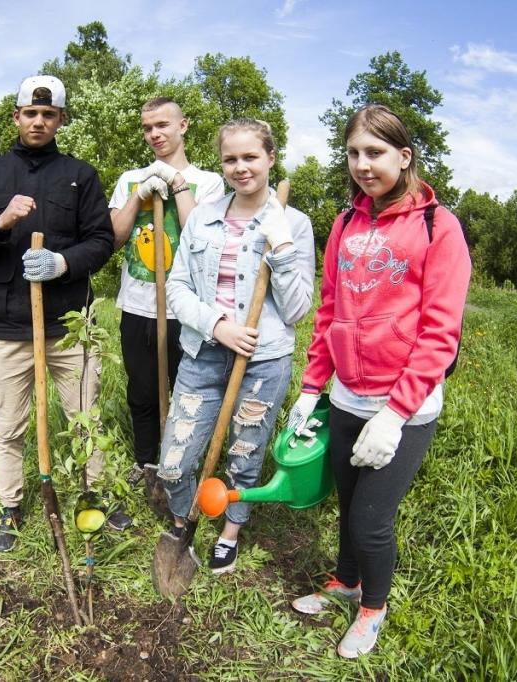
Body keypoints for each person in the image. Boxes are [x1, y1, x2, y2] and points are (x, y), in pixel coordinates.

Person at [287, 104, 471, 658]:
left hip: (403, 408)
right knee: (346, 505)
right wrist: (311, 388)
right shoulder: (344, 223)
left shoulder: (440, 227)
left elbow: (441, 332)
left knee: (371, 520)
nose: (363, 165)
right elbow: (328, 313)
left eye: (376, 152)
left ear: (404, 156)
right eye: (353, 153)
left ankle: (374, 607)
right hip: (346, 397)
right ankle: (346, 583)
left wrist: (395, 413)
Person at [0, 75, 129, 552]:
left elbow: (102, 241)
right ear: (16, 117)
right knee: (8, 426)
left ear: (60, 120)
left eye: (48, 114)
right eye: (31, 113)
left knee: (85, 417)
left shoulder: (80, 175)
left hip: (71, 327)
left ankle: (96, 495)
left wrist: (62, 263)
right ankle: (10, 506)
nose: (39, 121)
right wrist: (0, 223)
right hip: (9, 328)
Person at [155, 118, 315, 574]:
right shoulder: (204, 214)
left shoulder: (294, 223)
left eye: (250, 157)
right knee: (173, 461)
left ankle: (230, 531)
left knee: (245, 452)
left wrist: (281, 246)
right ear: (221, 163)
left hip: (263, 360)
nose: (241, 167)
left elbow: (298, 309)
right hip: (204, 351)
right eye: (231, 159)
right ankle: (183, 523)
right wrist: (218, 324)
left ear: (270, 158)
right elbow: (179, 285)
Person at [107, 97, 225, 495]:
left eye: (162, 125)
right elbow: (115, 236)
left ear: (182, 126)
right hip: (138, 306)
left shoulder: (208, 182)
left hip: (185, 309)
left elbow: (200, 238)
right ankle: (147, 462)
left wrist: (176, 184)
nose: (154, 134)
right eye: (147, 128)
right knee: (141, 390)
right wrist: (139, 195)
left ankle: (181, 467)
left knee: (186, 392)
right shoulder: (128, 178)